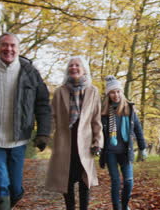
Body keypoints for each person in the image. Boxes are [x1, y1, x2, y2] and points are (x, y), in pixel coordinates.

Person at [0, 32, 52, 210]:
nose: (8, 49)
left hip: (18, 139)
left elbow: (43, 104)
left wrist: (43, 132)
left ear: (18, 49)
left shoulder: (31, 73)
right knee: (1, 182)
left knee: (14, 189)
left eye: (12, 45)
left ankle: (2, 203)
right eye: (4, 45)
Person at [45, 56, 103, 210]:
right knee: (67, 180)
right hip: (65, 143)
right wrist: (45, 136)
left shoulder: (93, 91)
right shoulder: (59, 92)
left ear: (84, 69)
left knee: (85, 182)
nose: (74, 68)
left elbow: (96, 120)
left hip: (85, 143)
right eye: (71, 65)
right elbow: (52, 117)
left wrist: (98, 142)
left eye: (77, 65)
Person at [100, 75, 147, 210]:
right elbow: (97, 131)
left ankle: (125, 205)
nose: (116, 95)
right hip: (110, 152)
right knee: (115, 181)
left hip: (125, 151)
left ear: (122, 92)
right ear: (108, 95)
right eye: (112, 92)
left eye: (118, 91)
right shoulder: (103, 111)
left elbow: (138, 129)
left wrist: (143, 148)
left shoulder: (129, 109)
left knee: (128, 181)